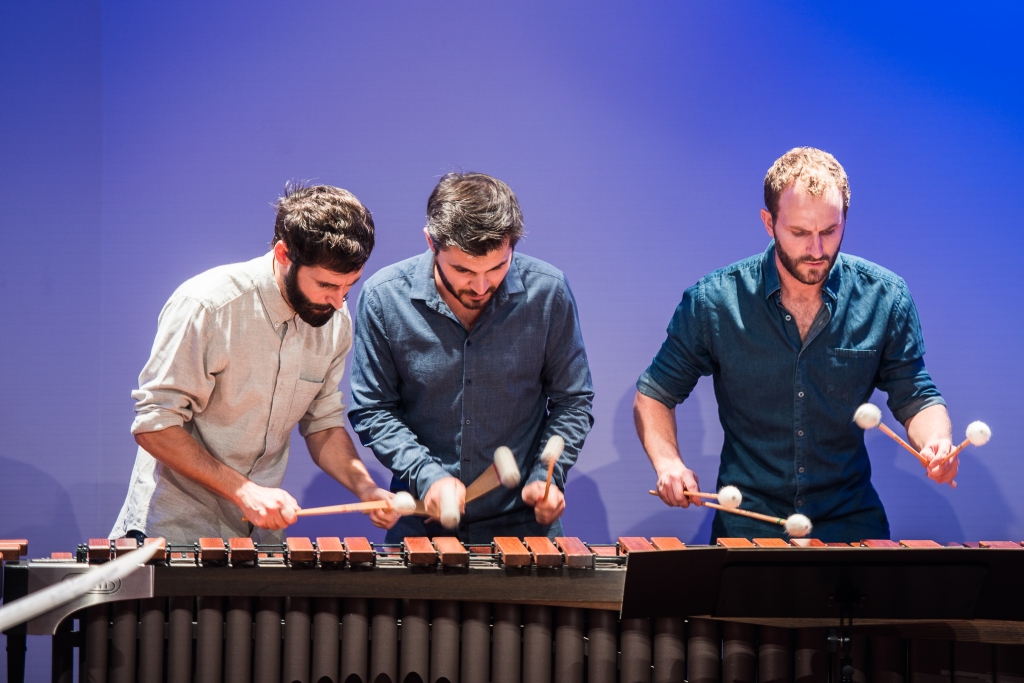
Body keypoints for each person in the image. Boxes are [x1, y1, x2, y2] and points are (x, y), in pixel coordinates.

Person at [634, 147, 957, 543]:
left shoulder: (885, 297)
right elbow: (654, 395)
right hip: (748, 521)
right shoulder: (714, 301)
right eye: (800, 233)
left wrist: (936, 443)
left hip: (849, 518)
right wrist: (669, 464)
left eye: (829, 231)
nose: (817, 251)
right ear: (769, 223)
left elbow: (916, 395)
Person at [110, 184, 398, 543]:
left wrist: (366, 489)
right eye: (326, 284)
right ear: (283, 254)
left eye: (349, 287)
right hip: (172, 532)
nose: (339, 302)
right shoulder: (207, 307)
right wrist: (244, 491)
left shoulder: (334, 321)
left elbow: (322, 424)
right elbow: (154, 424)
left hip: (257, 538)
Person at [349, 172, 594, 543]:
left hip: (524, 522)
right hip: (424, 518)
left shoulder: (548, 292)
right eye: (463, 270)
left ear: (512, 244)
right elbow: (374, 408)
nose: (481, 286)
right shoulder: (385, 298)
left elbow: (572, 400)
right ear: (431, 242)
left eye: (497, 268)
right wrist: (428, 476)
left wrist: (547, 477)